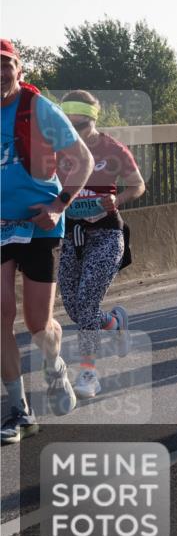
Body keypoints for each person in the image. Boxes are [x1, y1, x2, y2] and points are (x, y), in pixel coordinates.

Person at [2, 39, 95, 444]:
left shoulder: (38, 109)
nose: (0, 74)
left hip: (41, 224)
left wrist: (59, 205)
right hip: (1, 225)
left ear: (19, 70)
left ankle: (54, 364)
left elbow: (84, 160)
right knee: (1, 314)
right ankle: (19, 411)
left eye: (6, 65)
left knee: (39, 323)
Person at [57, 90, 145, 398]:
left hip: (107, 234)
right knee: (74, 306)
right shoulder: (58, 150)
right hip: (73, 237)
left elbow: (138, 185)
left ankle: (88, 373)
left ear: (93, 122)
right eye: (68, 125)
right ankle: (115, 323)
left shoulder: (113, 149)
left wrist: (116, 199)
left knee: (86, 301)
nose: (74, 132)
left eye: (80, 126)